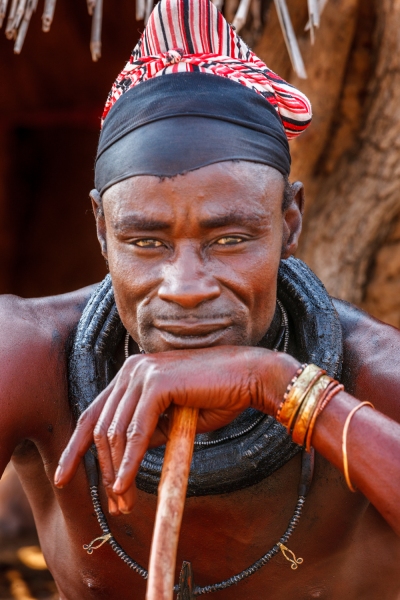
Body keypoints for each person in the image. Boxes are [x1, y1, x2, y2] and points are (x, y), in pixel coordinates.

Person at [1, 1, 400, 598]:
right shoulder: (29, 356)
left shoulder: (377, 377)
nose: (186, 288)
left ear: (290, 222)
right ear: (101, 230)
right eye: (145, 241)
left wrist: (282, 387)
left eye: (231, 239)